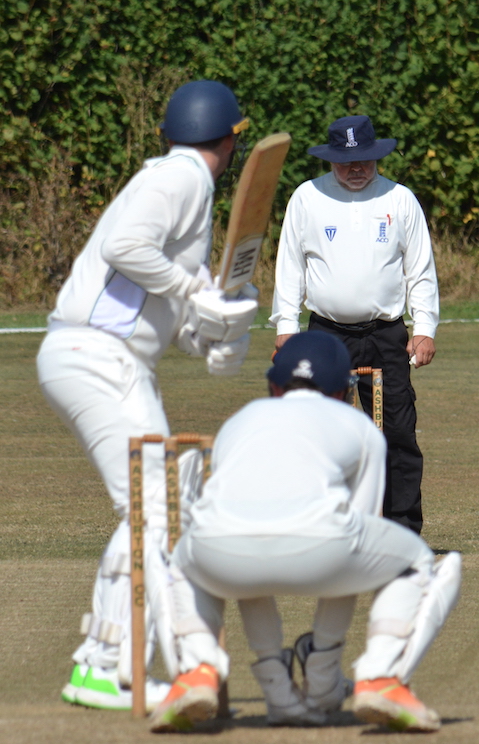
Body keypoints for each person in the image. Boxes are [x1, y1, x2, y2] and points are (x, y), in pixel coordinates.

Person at [36, 79, 259, 712]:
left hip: (111, 359)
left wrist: (214, 335)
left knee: (162, 501)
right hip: (96, 357)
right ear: (227, 141)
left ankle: (104, 662)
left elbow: (155, 297)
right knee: (158, 505)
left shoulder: (185, 185)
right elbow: (124, 248)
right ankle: (107, 666)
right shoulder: (181, 177)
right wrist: (194, 294)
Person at [148, 331, 461, 733]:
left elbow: (243, 531)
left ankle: (197, 669)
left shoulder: (239, 421)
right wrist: (324, 662)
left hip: (219, 550)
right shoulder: (358, 425)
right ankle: (380, 675)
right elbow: (362, 527)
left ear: (275, 387)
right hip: (325, 546)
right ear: (342, 391)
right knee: (418, 558)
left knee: (183, 560)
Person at [270, 114, 439, 536]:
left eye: (364, 160)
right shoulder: (307, 198)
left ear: (376, 157)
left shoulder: (399, 199)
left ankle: (401, 533)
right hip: (326, 335)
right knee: (321, 434)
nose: (356, 169)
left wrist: (425, 328)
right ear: (331, 160)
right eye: (347, 162)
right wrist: (285, 328)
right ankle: (324, 528)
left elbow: (420, 269)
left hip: (386, 334)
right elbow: (290, 267)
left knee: (397, 431)